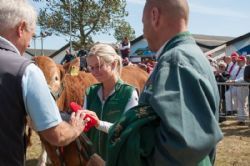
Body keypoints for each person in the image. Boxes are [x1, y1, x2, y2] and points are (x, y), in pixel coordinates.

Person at [104, 0, 223, 166]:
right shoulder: (189, 55)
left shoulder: (175, 60)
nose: (143, 32)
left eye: (143, 22)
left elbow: (183, 146)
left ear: (154, 16)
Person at [0, 1, 85, 165]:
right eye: (31, 35)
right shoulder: (25, 71)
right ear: (21, 28)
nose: (30, 43)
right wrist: (76, 127)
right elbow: (57, 135)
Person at [83, 43, 139, 160]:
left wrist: (99, 124)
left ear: (113, 64)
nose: (95, 72)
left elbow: (129, 131)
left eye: (99, 66)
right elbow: (84, 128)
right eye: (91, 67)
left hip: (117, 159)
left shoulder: (128, 93)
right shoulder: (90, 92)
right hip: (93, 159)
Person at [226, 56, 249, 125]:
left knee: (242, 103)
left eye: (240, 61)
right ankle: (231, 110)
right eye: (238, 61)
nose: (238, 62)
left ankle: (242, 119)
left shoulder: (246, 68)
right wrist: (228, 79)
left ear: (244, 61)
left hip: (243, 86)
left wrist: (234, 81)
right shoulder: (236, 68)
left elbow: (243, 78)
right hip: (235, 86)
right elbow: (232, 75)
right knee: (228, 94)